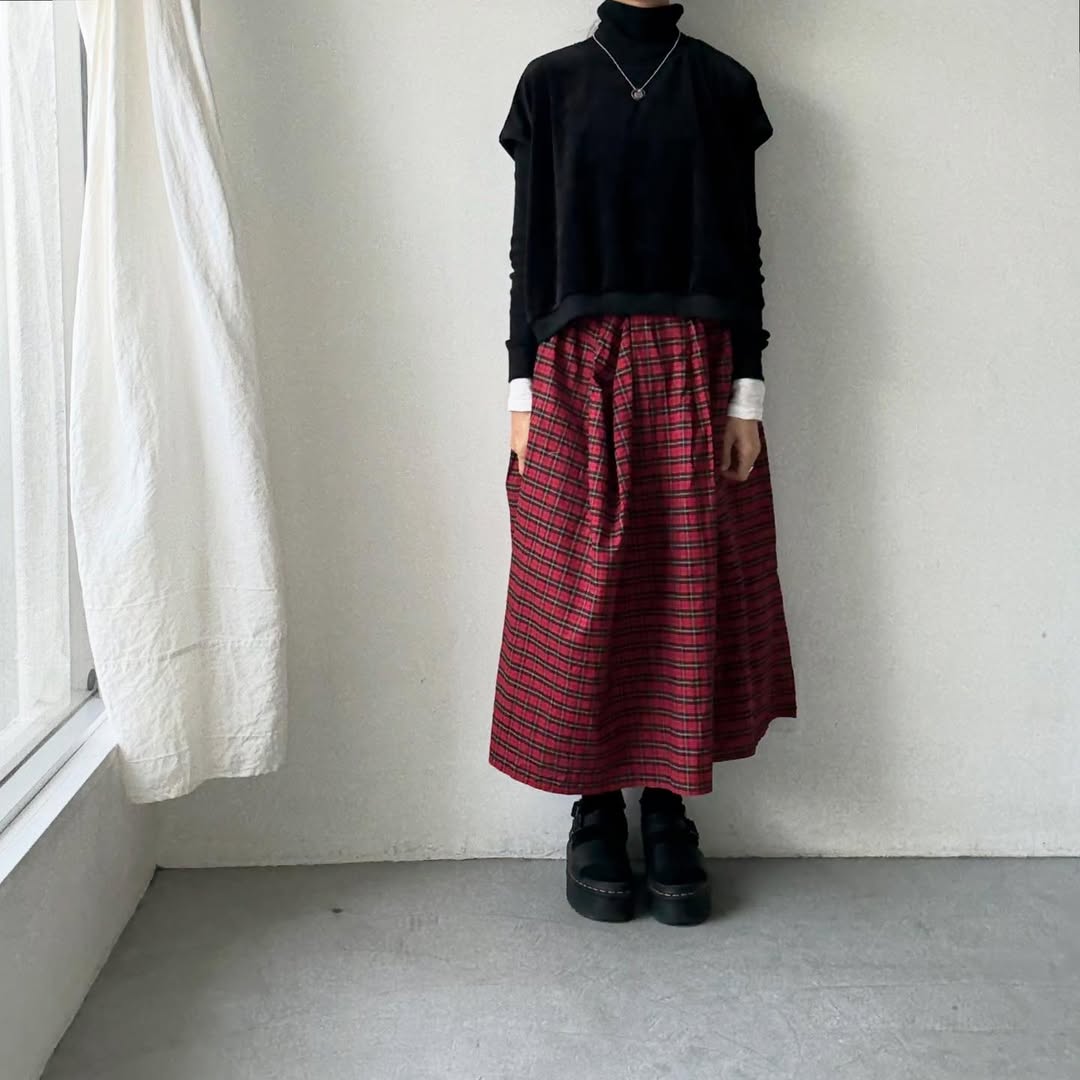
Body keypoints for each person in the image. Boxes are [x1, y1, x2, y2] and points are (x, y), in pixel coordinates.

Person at [490, 0, 798, 926]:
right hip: (574, 366)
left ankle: (667, 805)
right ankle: (594, 807)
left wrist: (747, 392)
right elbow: (528, 247)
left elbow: (744, 247)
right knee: (579, 593)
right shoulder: (550, 85)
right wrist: (519, 388)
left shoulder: (722, 86)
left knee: (682, 589)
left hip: (694, 365)